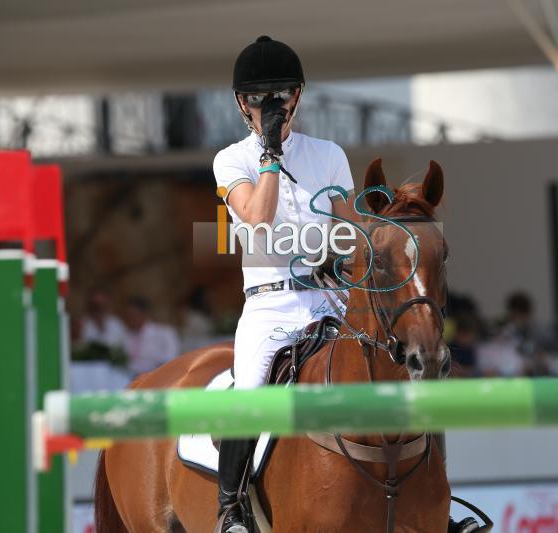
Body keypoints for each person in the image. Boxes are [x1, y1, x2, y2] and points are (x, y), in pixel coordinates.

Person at [212, 36, 357, 533]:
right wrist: (270, 152)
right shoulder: (230, 161)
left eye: (279, 96)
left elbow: (349, 230)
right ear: (241, 103)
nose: (269, 106)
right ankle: (229, 508)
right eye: (257, 98)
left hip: (329, 300)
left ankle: (435, 501)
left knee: (398, 368)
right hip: (269, 307)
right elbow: (256, 221)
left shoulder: (329, 154)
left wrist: (335, 259)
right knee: (249, 391)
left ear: (297, 96)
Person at [121, 296, 180, 376]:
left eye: (133, 314)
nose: (130, 318)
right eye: (127, 315)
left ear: (144, 314)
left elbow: (170, 360)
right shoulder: (125, 335)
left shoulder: (165, 333)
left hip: (157, 378)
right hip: (129, 379)